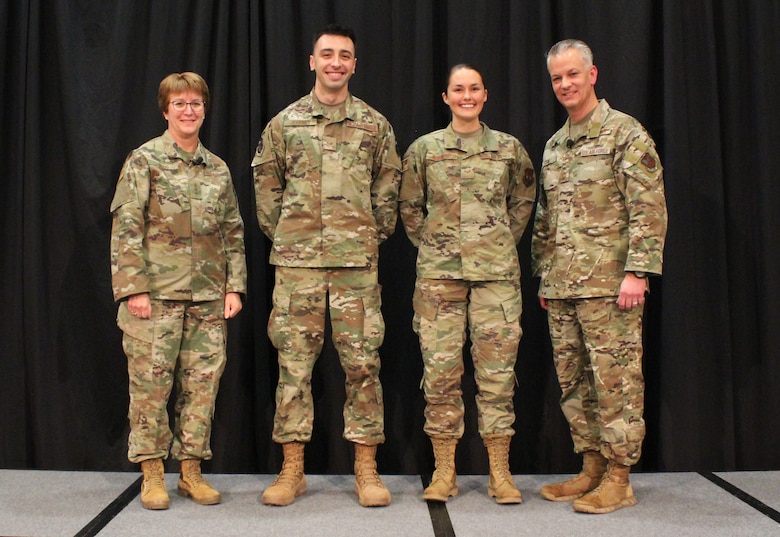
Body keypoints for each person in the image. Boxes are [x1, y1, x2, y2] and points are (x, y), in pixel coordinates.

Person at [251, 24, 401, 508]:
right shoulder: (284, 124)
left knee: (363, 366)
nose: (336, 62)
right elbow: (267, 192)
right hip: (298, 269)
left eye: (345, 56)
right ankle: (292, 469)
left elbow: (388, 192)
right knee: (293, 368)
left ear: (355, 65)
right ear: (312, 61)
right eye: (327, 54)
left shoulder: (375, 126)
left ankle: (367, 469)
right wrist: (295, 240)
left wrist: (361, 237)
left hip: (356, 267)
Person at [531, 39, 668, 514]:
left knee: (616, 382)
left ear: (592, 74)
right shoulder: (555, 145)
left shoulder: (624, 134)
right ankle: (591, 467)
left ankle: (619, 477)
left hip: (612, 287)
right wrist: (545, 276)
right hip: (564, 285)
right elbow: (546, 219)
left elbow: (648, 207)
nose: (564, 84)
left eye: (572, 74)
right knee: (574, 382)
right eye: (556, 78)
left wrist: (638, 271)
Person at [110, 72, 247, 510]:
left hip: (207, 297)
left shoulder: (218, 168)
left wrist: (234, 287)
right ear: (165, 109)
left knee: (202, 386)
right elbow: (127, 226)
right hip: (156, 296)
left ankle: (191, 471)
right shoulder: (144, 161)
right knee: (151, 387)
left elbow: (232, 232)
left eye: (196, 104)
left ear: (205, 109)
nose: (189, 111)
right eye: (180, 103)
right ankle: (152, 473)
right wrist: (134, 288)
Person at [400, 64, 536, 504]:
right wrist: (439, 246)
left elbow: (523, 202)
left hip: (496, 278)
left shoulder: (509, 150)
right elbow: (409, 208)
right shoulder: (424, 150)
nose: (466, 95)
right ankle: (444, 472)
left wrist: (494, 243)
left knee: (497, 376)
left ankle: (501, 473)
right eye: (458, 89)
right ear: (446, 97)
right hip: (440, 279)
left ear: (485, 94)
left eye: (474, 88)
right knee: (440, 375)